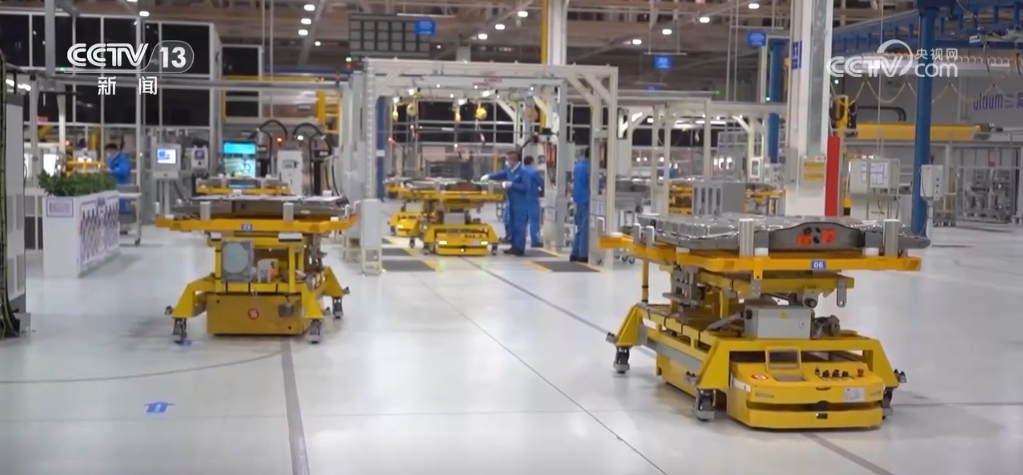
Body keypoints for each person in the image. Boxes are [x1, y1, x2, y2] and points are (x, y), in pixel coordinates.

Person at [482, 151, 522, 245]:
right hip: (510, 198)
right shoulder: (509, 170)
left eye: (508, 159)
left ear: (514, 160)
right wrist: (489, 176)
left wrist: (512, 184)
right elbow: (501, 174)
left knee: (517, 221)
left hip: (520, 200)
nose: (507, 162)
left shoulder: (523, 171)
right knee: (507, 219)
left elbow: (525, 186)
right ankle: (509, 237)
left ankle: (515, 240)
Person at [570, 149, 590, 263]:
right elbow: (594, 183)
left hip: (578, 199)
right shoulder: (589, 168)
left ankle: (575, 252)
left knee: (580, 227)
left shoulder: (578, 166)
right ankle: (583, 254)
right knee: (585, 228)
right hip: (586, 200)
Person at [522, 156, 544, 248]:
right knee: (534, 221)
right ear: (532, 162)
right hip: (532, 198)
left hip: (521, 199)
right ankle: (534, 241)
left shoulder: (520, 171)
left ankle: (520, 240)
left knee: (522, 222)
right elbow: (541, 182)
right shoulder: (533, 172)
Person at [105, 143, 132, 214]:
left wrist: (112, 171)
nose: (108, 153)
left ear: (112, 150)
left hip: (121, 185)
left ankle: (124, 215)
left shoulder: (122, 158)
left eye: (108, 151)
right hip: (113, 186)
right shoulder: (111, 159)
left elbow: (124, 171)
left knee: (121, 206)